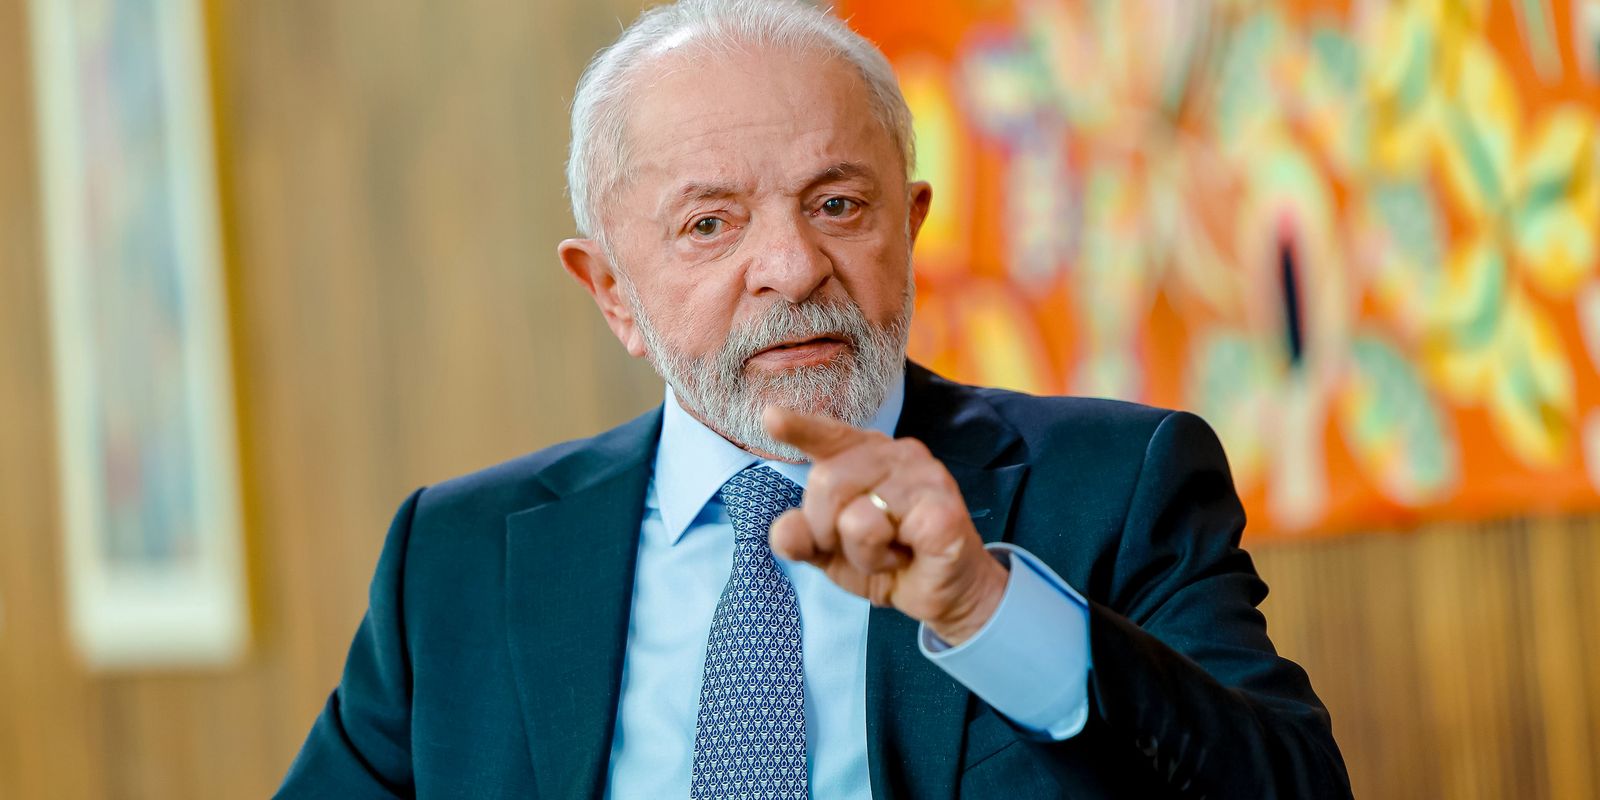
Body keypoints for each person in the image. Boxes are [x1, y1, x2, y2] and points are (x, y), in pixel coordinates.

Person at [279, 1, 1350, 797]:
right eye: (710, 224)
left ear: (910, 227)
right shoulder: (456, 558)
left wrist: (985, 607)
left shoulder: (1118, 486)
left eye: (837, 204)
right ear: (610, 291)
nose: (792, 269)